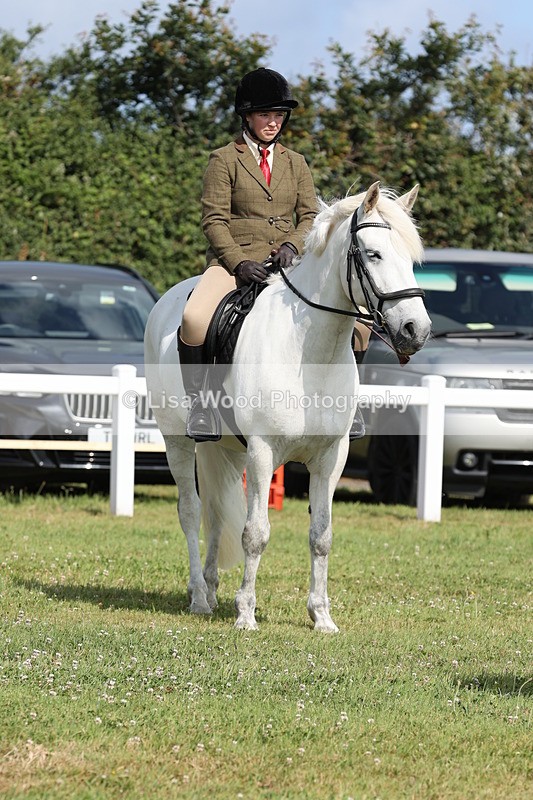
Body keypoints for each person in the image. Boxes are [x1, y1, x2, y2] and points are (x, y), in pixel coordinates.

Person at [178, 67, 370, 442]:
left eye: (279, 115)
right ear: (247, 116)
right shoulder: (224, 159)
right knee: (194, 318)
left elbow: (310, 215)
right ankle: (201, 406)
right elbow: (214, 219)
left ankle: (351, 404)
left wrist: (292, 246)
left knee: (360, 323)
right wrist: (237, 261)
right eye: (265, 114)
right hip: (236, 263)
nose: (273, 122)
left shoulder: (295, 162)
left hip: (290, 262)